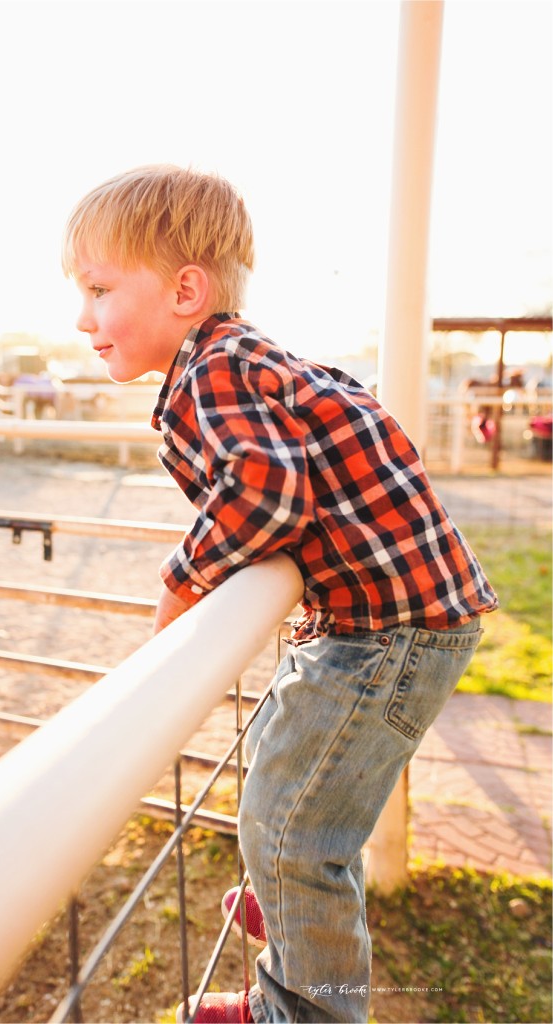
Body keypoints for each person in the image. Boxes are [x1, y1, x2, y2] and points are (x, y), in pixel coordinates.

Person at [62, 165, 498, 1024]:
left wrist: (180, 579)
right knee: (278, 768)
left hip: (387, 630)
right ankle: (290, 912)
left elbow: (265, 488)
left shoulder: (212, 372)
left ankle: (298, 1004)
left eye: (99, 288)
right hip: (387, 619)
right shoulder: (247, 357)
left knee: (298, 833)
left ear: (185, 289)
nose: (82, 317)